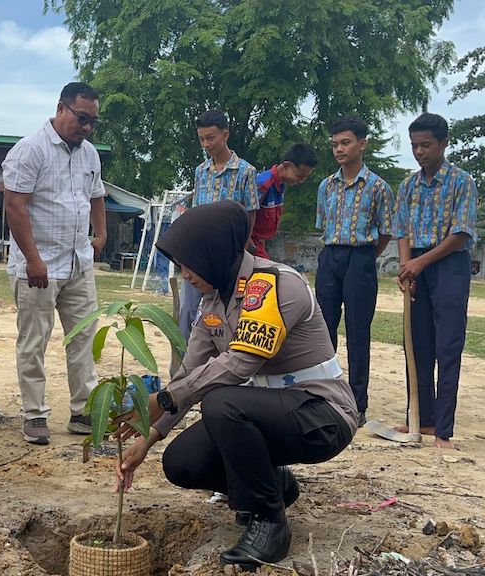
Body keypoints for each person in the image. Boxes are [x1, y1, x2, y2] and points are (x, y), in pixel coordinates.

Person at [115, 200, 358, 570]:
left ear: (216, 252)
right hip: (268, 415)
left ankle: (270, 524)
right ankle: (275, 487)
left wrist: (163, 399)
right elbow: (189, 374)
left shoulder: (275, 286)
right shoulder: (212, 302)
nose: (183, 274)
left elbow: (239, 363)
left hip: (321, 417)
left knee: (221, 403)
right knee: (181, 463)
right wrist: (146, 439)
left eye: (188, 262)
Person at [2, 81, 106, 445]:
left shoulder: (90, 153)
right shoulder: (30, 150)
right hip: (39, 265)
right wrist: (33, 259)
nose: (87, 127)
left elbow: (97, 195)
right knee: (34, 341)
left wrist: (101, 235)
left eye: (92, 121)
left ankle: (82, 411)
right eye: (81, 118)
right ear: (61, 108)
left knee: (84, 341)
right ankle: (34, 414)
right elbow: (14, 205)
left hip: (79, 263)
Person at [394, 113, 477, 450]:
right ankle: (422, 418)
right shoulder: (408, 186)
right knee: (417, 344)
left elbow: (460, 234)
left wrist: (420, 263)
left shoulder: (461, 182)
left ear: (443, 143)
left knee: (447, 346)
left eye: (426, 145)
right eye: (414, 145)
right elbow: (400, 230)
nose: (419, 152)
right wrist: (405, 268)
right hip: (415, 267)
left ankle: (443, 430)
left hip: (448, 265)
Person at [314, 117, 395, 426]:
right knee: (323, 330)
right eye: (334, 144)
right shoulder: (326, 186)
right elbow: (323, 225)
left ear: (362, 144)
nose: (339, 149)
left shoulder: (378, 187)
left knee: (359, 333)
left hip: (361, 258)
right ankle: (324, 396)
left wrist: (366, 257)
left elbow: (386, 231)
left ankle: (357, 404)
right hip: (330, 257)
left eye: (345, 143)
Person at [178, 109, 259, 344]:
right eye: (202, 139)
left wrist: (241, 247)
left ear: (225, 134)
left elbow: (251, 213)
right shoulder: (200, 171)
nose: (206, 144)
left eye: (211, 138)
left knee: (228, 312)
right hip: (197, 253)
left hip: (228, 255)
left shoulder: (246, 172)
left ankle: (226, 364)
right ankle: (184, 368)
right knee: (188, 311)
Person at [250, 143, 319, 259]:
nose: (301, 181)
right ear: (286, 166)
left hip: (259, 244)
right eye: (299, 176)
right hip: (249, 244)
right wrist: (249, 246)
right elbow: (243, 216)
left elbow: (262, 229)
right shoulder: (262, 184)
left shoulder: (281, 186)